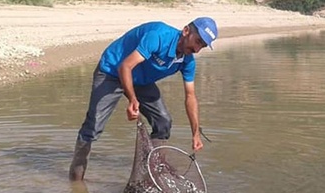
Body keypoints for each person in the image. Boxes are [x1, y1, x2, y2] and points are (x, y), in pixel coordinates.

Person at [69, 16, 218, 181]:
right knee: (93, 126)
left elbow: (190, 96)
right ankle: (76, 179)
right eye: (197, 41)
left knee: (163, 121)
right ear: (186, 31)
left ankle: (153, 172)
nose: (197, 49)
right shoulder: (158, 36)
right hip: (112, 71)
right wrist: (133, 100)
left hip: (140, 80)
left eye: (202, 46)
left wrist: (195, 133)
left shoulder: (187, 61)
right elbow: (125, 66)